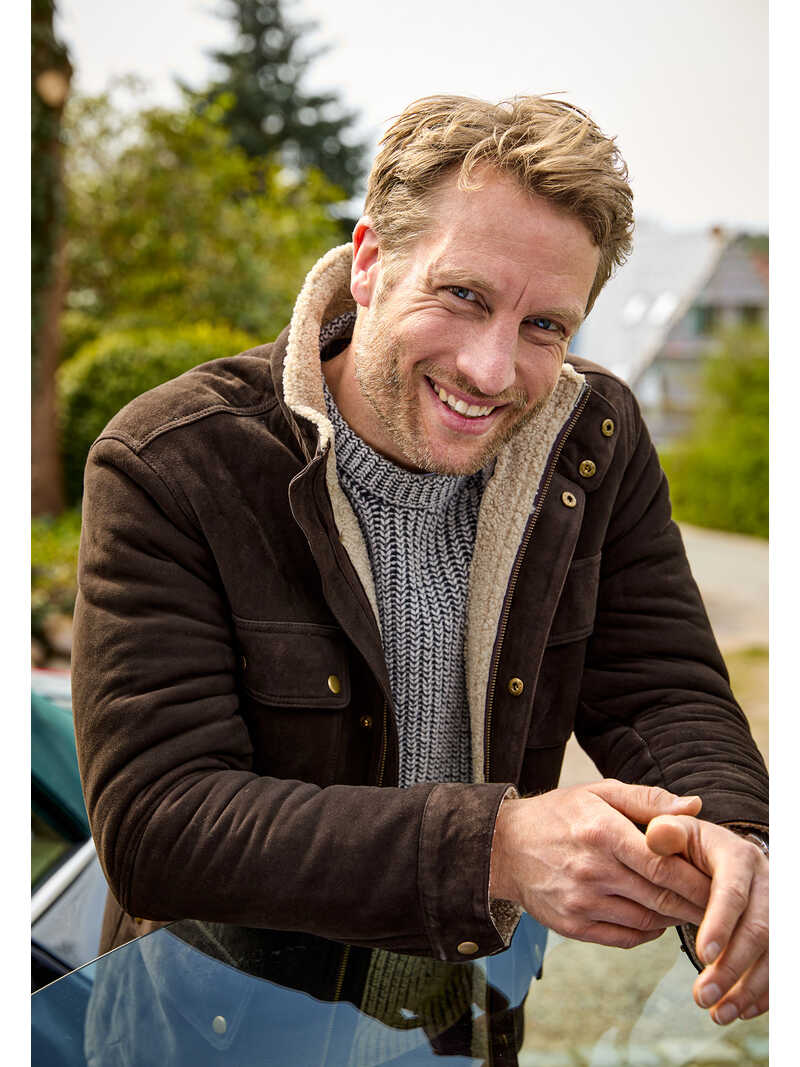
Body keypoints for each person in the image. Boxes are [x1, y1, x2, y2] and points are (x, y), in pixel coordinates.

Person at [72, 94, 768, 1030]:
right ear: (368, 262)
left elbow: (662, 690)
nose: (491, 369)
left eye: (544, 326)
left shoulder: (593, 440)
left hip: (464, 1030)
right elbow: (158, 824)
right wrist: (496, 848)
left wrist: (731, 839)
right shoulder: (169, 461)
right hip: (215, 1036)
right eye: (464, 296)